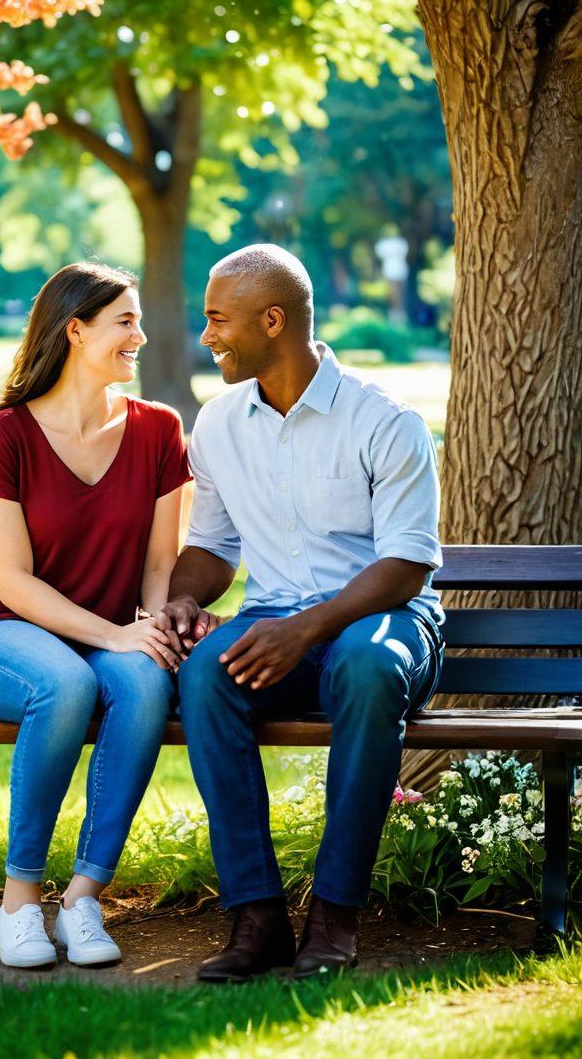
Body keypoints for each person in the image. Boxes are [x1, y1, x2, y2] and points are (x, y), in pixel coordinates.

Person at [157, 243, 446, 982]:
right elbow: (214, 548)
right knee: (204, 680)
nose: (208, 335)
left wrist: (307, 628)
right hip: (280, 624)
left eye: (219, 319)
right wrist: (185, 596)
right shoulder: (220, 423)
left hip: (386, 622)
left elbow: (407, 564)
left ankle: (335, 916)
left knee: (367, 665)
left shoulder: (386, 421)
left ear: (273, 320)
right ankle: (256, 919)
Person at [0, 262, 192, 970]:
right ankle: (20, 902)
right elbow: (15, 582)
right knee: (65, 685)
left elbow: (157, 566)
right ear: (75, 329)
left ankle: (84, 897)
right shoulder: (6, 435)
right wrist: (116, 635)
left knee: (145, 683)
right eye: (125, 322)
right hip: (2, 636)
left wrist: (145, 632)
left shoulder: (158, 431)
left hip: (102, 639)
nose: (140, 336)